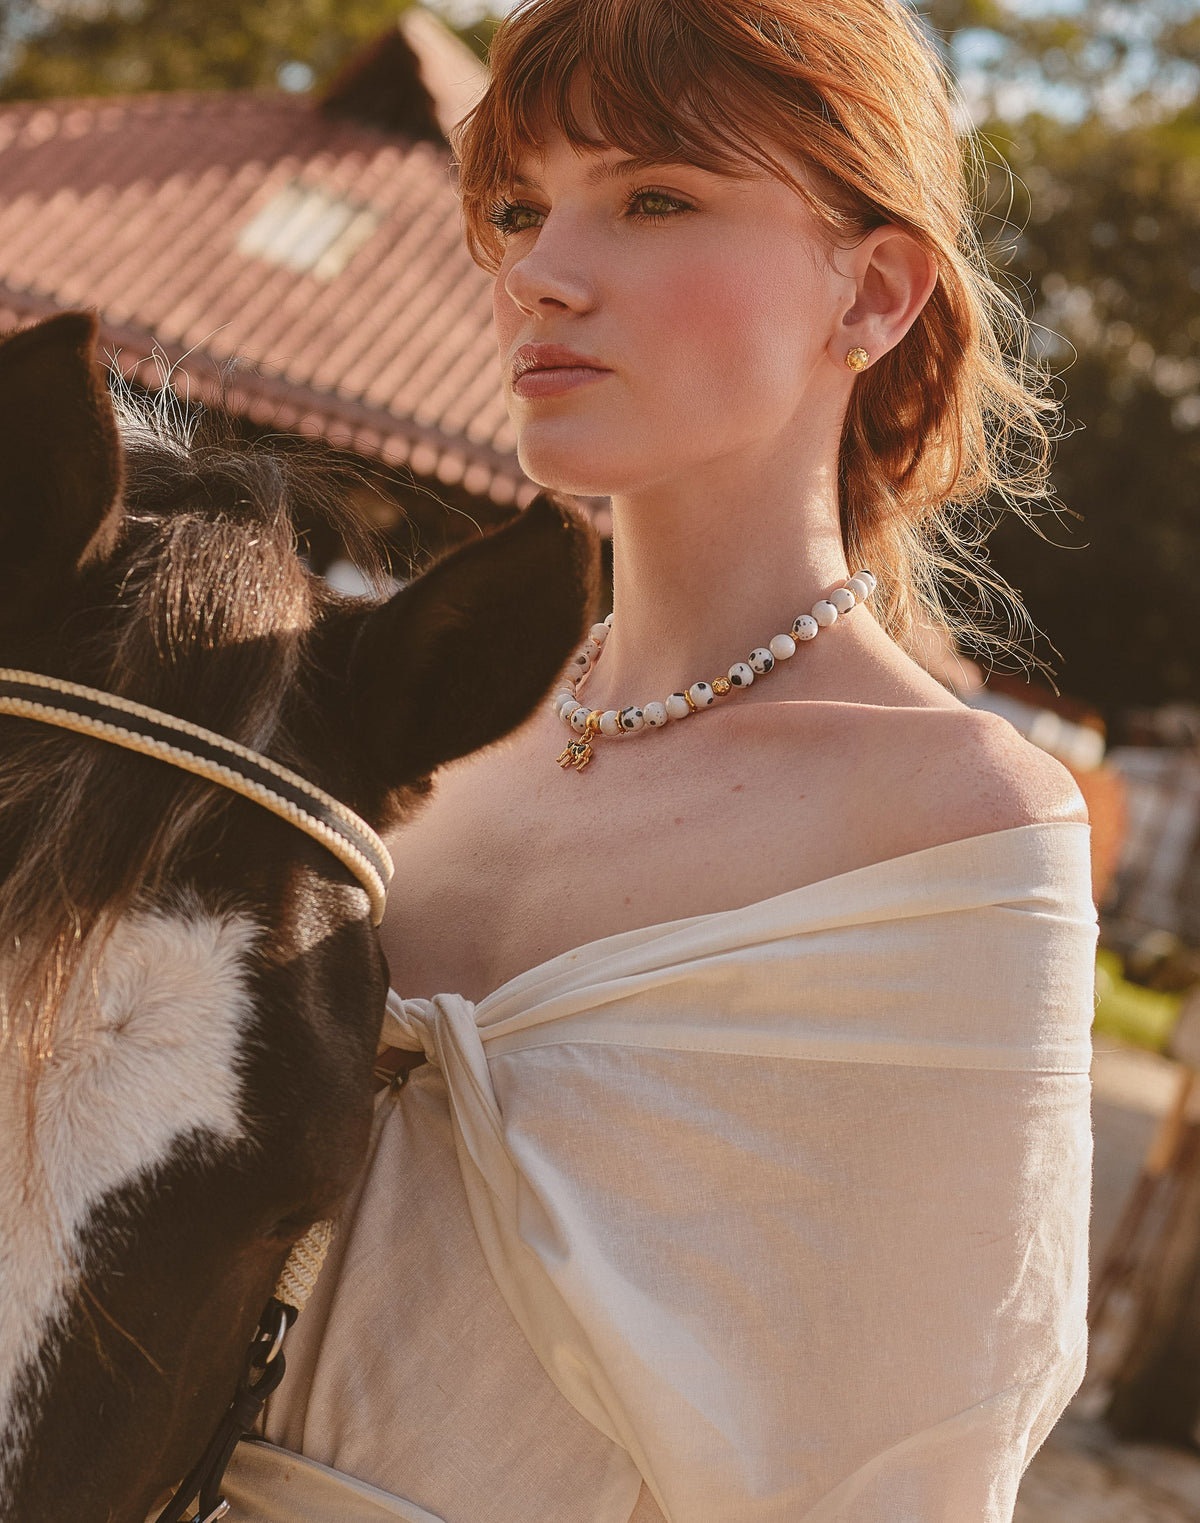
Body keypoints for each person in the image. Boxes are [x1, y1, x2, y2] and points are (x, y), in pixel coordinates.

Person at [228, 1, 1098, 1518]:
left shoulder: (953, 827)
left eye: (654, 198)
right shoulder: (400, 753)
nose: (538, 277)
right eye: (518, 208)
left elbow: (910, 1473)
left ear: (876, 293)